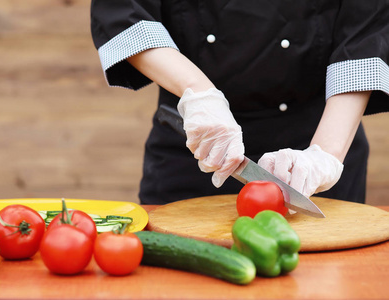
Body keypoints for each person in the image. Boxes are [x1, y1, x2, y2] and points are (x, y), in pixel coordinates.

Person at [90, 1, 389, 205]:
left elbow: (366, 35)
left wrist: (324, 154)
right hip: (196, 147)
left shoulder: (320, 156)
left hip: (316, 147)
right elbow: (124, 14)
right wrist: (200, 94)